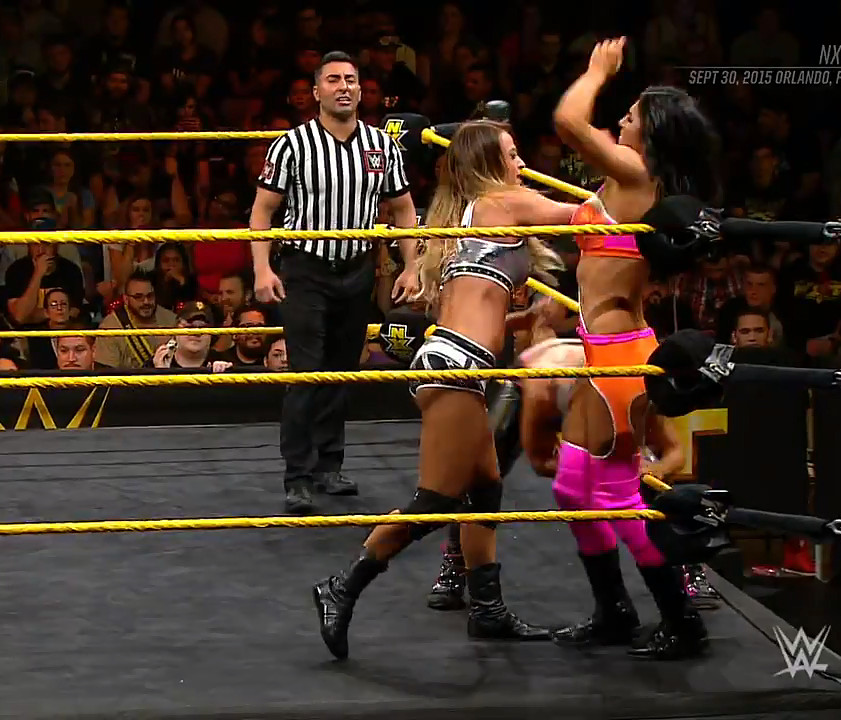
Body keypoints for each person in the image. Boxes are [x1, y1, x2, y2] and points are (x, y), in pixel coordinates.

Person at [311, 120, 575, 660]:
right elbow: (588, 217)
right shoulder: (501, 203)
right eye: (513, 154)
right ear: (490, 164)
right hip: (455, 366)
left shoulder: (472, 218)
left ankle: (488, 610)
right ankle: (342, 586)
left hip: (460, 361)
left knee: (485, 491)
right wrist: (637, 186)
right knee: (435, 499)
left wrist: (529, 319)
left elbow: (480, 315)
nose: (521, 164)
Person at [551, 37, 721, 660]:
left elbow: (569, 121)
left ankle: (681, 618)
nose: (620, 120)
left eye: (631, 115)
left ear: (651, 134)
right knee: (573, 487)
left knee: (616, 494)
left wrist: (596, 71)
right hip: (599, 346)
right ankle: (614, 611)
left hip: (621, 355)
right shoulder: (626, 176)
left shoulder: (637, 174)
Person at [427, 325, 719, 612]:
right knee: (482, 474)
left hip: (597, 388)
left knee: (647, 479)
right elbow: (541, 461)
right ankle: (455, 562)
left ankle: (689, 565)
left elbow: (673, 453)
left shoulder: (638, 390)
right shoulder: (542, 387)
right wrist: (594, 472)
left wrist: (657, 470)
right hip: (542, 379)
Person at [249, 50, 420, 514]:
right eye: (333, 80)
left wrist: (411, 265)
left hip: (358, 268)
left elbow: (404, 208)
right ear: (316, 91)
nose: (343, 86)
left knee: (342, 371)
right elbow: (263, 210)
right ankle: (298, 475)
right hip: (305, 269)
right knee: (307, 373)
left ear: (360, 90)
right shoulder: (291, 145)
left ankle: (329, 465)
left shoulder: (382, 145)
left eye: (350, 79)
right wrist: (262, 268)